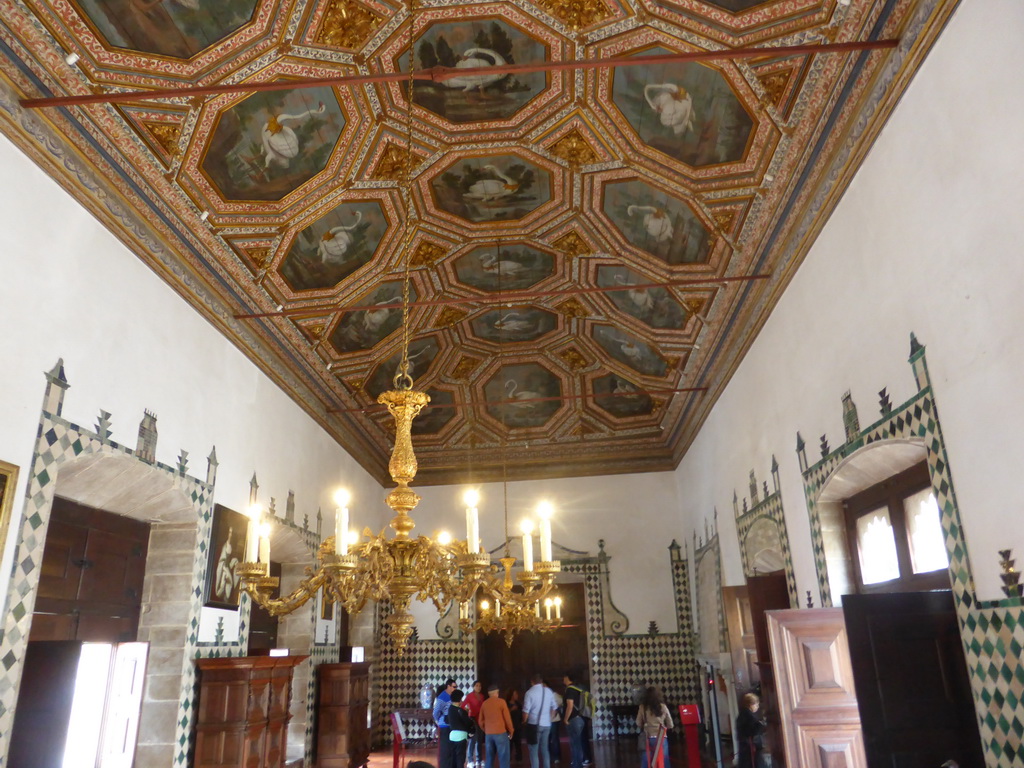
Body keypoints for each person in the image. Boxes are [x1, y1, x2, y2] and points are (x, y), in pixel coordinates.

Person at [523, 673, 557, 768]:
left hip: (534, 725)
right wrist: (549, 719)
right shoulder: (549, 691)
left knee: (534, 750)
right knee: (545, 749)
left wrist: (524, 721)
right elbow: (554, 707)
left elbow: (526, 711)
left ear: (532, 682)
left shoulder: (529, 693)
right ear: (541, 681)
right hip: (547, 725)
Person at [478, 682, 514, 768]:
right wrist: (511, 730)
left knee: (489, 758)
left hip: (489, 735)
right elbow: (507, 719)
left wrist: (486, 729)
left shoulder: (484, 704)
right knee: (504, 759)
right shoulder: (502, 702)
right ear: (496, 693)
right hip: (501, 733)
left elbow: (480, 721)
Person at [636, 686, 672, 768]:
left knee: (646, 761)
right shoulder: (663, 707)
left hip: (648, 737)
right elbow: (670, 724)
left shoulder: (643, 707)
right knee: (664, 760)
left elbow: (638, 723)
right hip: (661, 737)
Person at [735, 693, 767, 768]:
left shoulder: (743, 714)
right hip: (751, 748)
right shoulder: (748, 715)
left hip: (747, 747)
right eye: (756, 705)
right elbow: (752, 731)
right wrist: (761, 725)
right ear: (750, 704)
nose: (757, 707)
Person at [562, 672, 586, 768]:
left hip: (573, 720)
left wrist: (566, 719)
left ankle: (576, 765)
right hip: (580, 718)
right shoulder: (578, 689)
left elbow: (570, 706)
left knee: (574, 743)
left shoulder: (570, 690)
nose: (563, 679)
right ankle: (579, 763)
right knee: (578, 742)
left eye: (564, 677)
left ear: (568, 678)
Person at [449, 689, 477, 768]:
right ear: (459, 699)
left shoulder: (450, 709)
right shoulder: (460, 711)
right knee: (460, 759)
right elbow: (468, 722)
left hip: (452, 736)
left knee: (453, 759)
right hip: (461, 737)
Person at [434, 678, 458, 768]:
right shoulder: (442, 697)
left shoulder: (453, 696)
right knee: (445, 750)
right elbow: (435, 712)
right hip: (445, 726)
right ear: (448, 686)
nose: (455, 688)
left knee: (452, 749)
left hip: (452, 726)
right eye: (454, 687)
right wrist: (440, 721)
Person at [465, 681, 486, 768]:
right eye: (477, 686)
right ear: (473, 687)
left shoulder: (482, 696)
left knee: (479, 740)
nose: (479, 687)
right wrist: (467, 712)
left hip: (480, 719)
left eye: (480, 686)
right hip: (472, 719)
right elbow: (463, 705)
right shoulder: (469, 696)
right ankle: (470, 760)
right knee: (472, 740)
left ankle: (479, 759)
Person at [506, 686, 524, 762]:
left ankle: (519, 758)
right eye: (515, 694)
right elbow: (504, 714)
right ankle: (508, 759)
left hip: (518, 726)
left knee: (518, 744)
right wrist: (511, 710)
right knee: (509, 744)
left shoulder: (518, 704)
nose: (516, 695)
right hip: (509, 727)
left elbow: (522, 713)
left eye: (516, 694)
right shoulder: (506, 703)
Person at [548, 688, 563, 764]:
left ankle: (556, 756)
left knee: (554, 738)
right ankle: (551, 756)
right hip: (548, 720)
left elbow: (560, 702)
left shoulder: (554, 695)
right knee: (549, 739)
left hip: (554, 720)